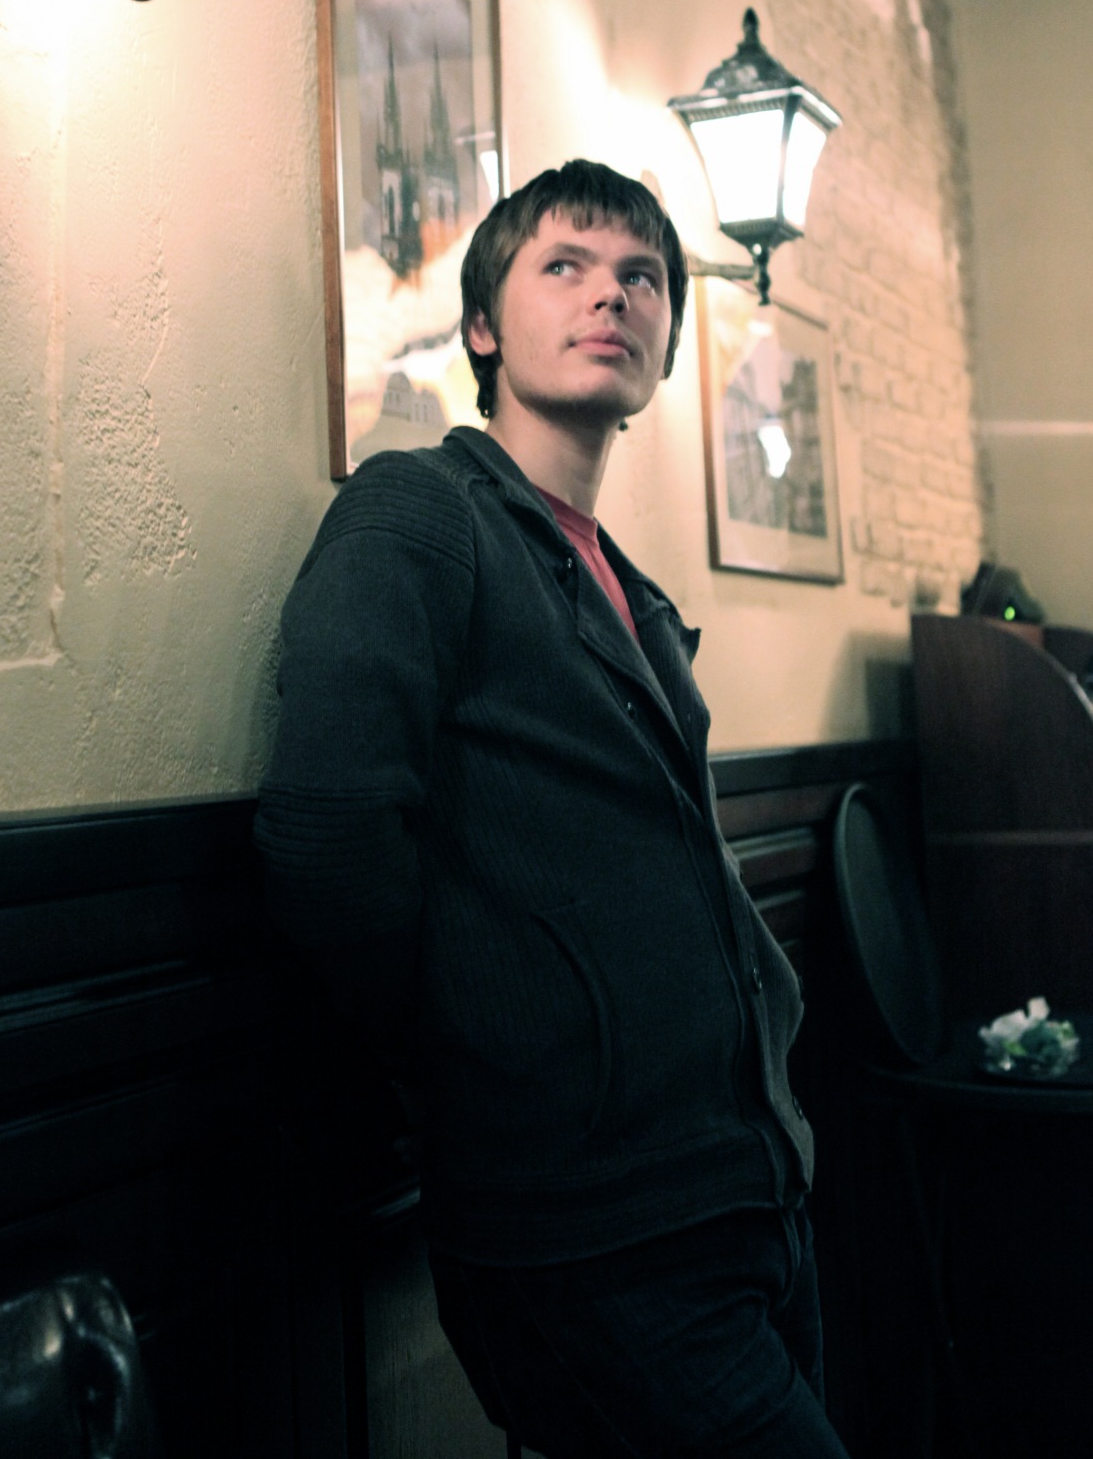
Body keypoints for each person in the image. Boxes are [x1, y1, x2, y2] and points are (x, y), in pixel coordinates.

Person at [255, 159, 850, 1457]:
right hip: (589, 1230)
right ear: (481, 325)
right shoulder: (420, 509)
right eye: (565, 266)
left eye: (643, 277)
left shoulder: (629, 588)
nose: (613, 295)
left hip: (746, 1194)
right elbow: (326, 837)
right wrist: (480, 1058)